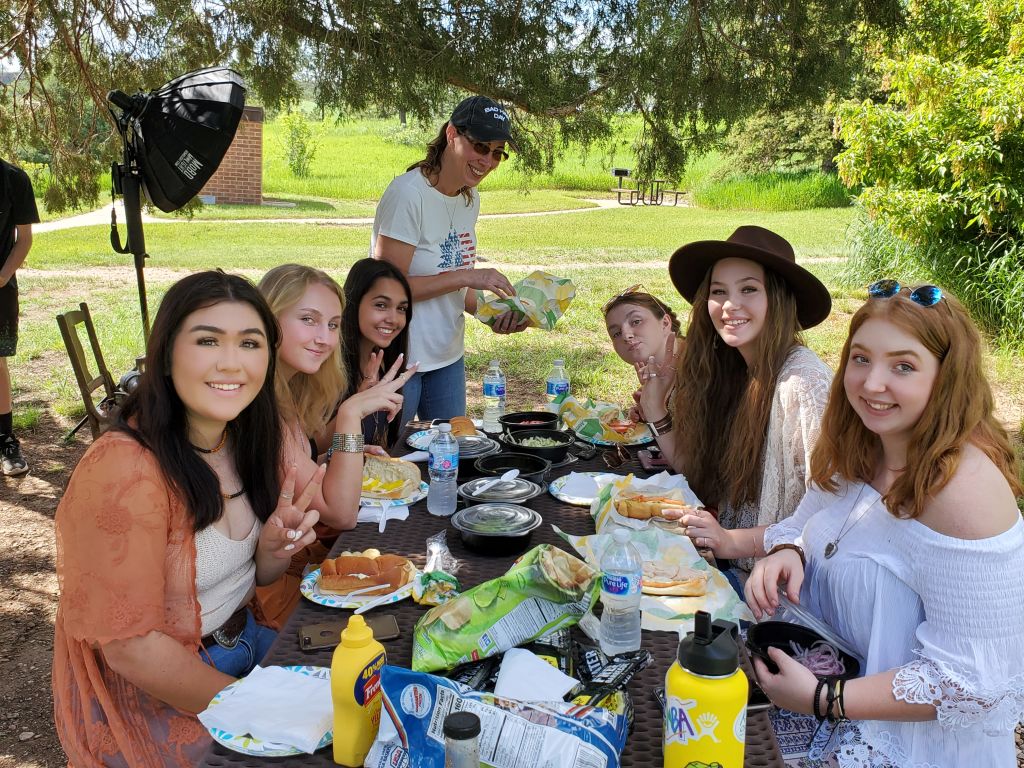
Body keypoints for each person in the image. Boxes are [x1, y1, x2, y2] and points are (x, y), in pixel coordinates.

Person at [52, 271, 326, 766]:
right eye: (207, 341)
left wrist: (268, 551)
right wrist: (257, 706)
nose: (231, 363)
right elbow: (130, 651)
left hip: (245, 639)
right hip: (164, 691)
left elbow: (243, 581)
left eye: (249, 343)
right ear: (166, 354)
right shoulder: (124, 470)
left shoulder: (241, 435)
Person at [745, 282, 1024, 767]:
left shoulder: (964, 492)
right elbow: (805, 521)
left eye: (903, 366)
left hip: (906, 749)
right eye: (860, 358)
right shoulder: (862, 443)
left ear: (946, 377)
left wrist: (825, 697)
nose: (872, 384)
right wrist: (789, 549)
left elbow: (975, 684)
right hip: (816, 710)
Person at [645, 226, 834, 576]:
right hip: (733, 570)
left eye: (749, 289)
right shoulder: (732, 370)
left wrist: (733, 541)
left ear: (777, 298)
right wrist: (655, 410)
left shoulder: (803, 382)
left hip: (781, 597)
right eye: (719, 291)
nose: (730, 305)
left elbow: (833, 516)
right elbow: (696, 473)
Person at [254, 264, 413, 628]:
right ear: (267, 318)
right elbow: (342, 514)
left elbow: (295, 468)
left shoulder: (283, 390)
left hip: (293, 560)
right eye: (308, 319)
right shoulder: (261, 405)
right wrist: (351, 414)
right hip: (269, 595)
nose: (324, 338)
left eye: (332, 324)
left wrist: (345, 453)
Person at [372, 95, 529, 423]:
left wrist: (495, 316)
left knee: (450, 460)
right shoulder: (408, 195)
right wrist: (467, 277)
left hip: (447, 357)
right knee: (392, 459)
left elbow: (459, 283)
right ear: (452, 134)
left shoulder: (469, 200)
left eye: (498, 153)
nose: (487, 161)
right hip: (401, 360)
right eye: (481, 147)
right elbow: (385, 292)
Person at [342, 257, 413, 450]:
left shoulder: (385, 364)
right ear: (354, 302)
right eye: (381, 305)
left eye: (401, 309)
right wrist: (355, 407)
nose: (393, 319)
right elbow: (314, 449)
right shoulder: (329, 368)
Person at [602, 284, 684, 445]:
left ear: (665, 323)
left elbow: (690, 459)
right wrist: (648, 413)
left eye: (636, 321)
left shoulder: (700, 369)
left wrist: (655, 411)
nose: (626, 335)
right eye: (616, 333)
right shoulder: (655, 372)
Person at [0, 157, 39, 476]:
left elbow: (24, 240)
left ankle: (5, 441)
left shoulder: (14, 178)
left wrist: (1, 276)